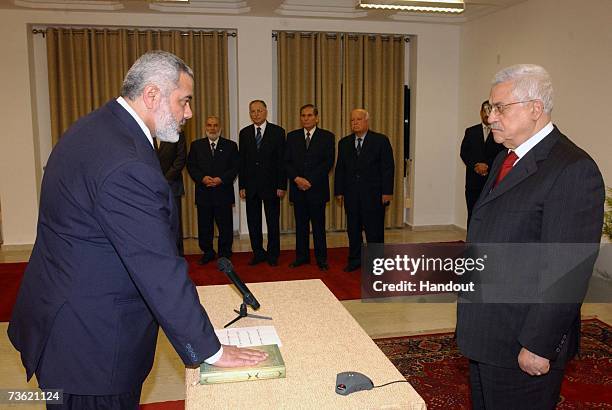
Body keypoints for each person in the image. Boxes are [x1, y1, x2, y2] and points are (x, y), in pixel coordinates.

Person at [8, 51, 266, 409]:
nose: (188, 113)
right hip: (93, 351)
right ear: (152, 95)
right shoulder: (126, 162)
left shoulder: (95, 126)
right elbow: (156, 265)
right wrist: (211, 349)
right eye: (184, 100)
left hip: (65, 323)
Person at [456, 64, 604, 409]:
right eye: (490, 107)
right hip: (487, 332)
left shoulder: (572, 169)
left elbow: (568, 270)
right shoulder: (506, 158)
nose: (491, 117)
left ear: (535, 109)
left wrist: (539, 343)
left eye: (499, 107)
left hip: (521, 340)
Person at [334, 108, 394, 272]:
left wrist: (387, 192)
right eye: (352, 120)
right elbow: (340, 169)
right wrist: (339, 191)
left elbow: (388, 168)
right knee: (353, 230)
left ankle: (377, 263)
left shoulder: (380, 140)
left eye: (358, 119)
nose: (355, 122)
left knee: (374, 231)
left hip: (374, 195)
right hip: (352, 195)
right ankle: (355, 260)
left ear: (367, 121)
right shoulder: (344, 142)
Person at [285, 104, 335, 271]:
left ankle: (321, 259)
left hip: (317, 189)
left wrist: (310, 180)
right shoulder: (292, 137)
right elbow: (287, 162)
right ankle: (302, 257)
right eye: (303, 116)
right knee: (301, 226)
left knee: (319, 226)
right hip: (298, 188)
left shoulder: (327, 137)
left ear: (316, 118)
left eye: (309, 115)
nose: (306, 118)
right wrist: (297, 179)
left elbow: (328, 162)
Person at [238, 100, 287, 267]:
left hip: (272, 186)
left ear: (266, 112)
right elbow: (242, 161)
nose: (256, 114)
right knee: (254, 222)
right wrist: (242, 186)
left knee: (272, 221)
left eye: (259, 110)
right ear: (250, 113)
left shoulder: (278, 132)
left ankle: (273, 254)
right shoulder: (244, 133)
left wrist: (282, 185)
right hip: (251, 186)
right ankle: (258, 252)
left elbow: (282, 161)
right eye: (253, 111)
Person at [187, 116, 239, 264]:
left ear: (220, 128)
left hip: (223, 192)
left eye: (215, 125)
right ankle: (207, 252)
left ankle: (225, 253)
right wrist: (202, 178)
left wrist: (221, 179)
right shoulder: (196, 145)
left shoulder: (231, 146)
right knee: (205, 226)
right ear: (205, 127)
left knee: (225, 226)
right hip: (204, 193)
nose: (212, 128)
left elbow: (235, 167)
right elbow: (191, 166)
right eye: (209, 125)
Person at [459, 100, 505, 226]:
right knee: (472, 213)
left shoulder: (500, 132)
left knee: (489, 216)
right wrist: (476, 165)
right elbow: (464, 153)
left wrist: (487, 166)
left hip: (491, 183)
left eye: (489, 111)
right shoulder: (470, 131)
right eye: (484, 111)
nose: (486, 114)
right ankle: (470, 243)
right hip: (473, 183)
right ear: (480, 113)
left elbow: (503, 154)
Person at [157, 131, 187, 255]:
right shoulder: (147, 130)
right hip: (152, 185)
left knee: (175, 222)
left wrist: (165, 179)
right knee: (156, 222)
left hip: (173, 185)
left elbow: (181, 159)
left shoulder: (177, 133)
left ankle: (178, 254)